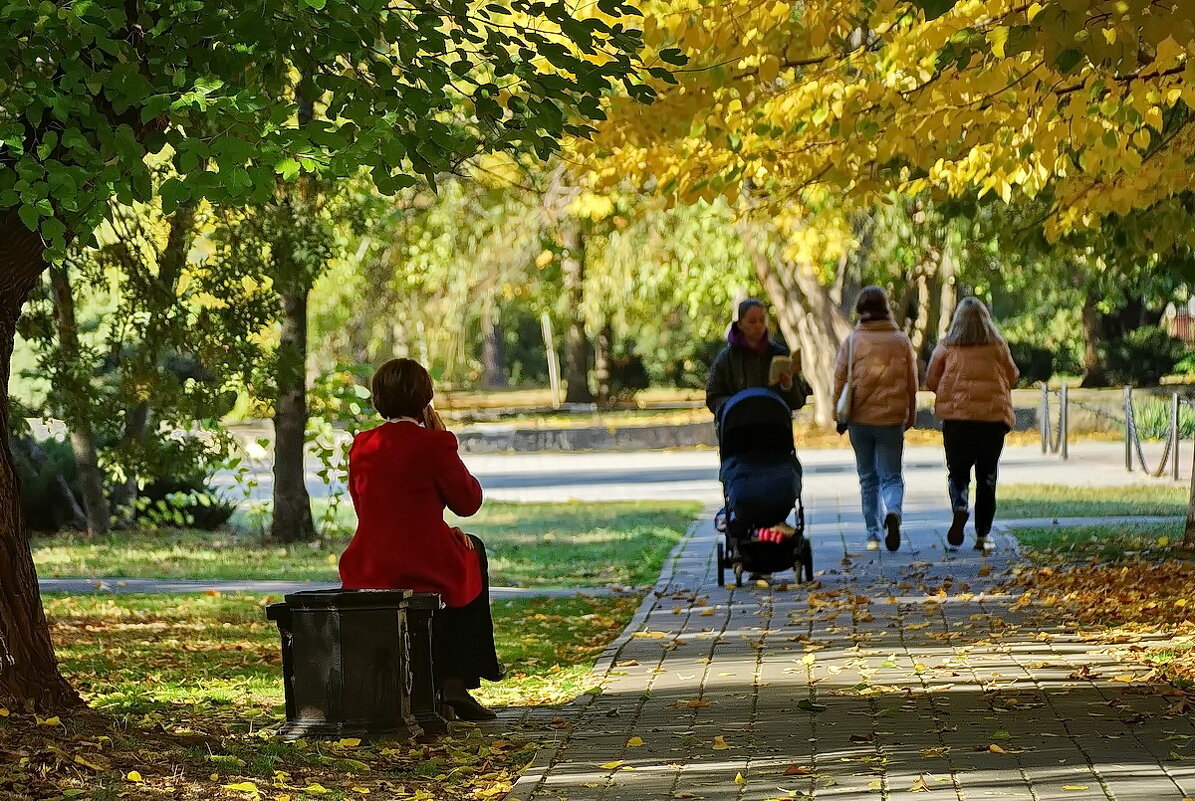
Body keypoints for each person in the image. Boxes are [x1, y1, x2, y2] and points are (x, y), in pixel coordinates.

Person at [339, 358, 502, 720]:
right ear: (425, 399)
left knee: (461, 548)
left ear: (378, 399)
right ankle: (455, 681)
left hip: (369, 563)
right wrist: (444, 440)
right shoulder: (434, 444)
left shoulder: (362, 445)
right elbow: (468, 501)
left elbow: (370, 510)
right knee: (472, 553)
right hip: (424, 562)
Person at [926, 297, 1019, 551]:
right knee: (987, 476)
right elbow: (1013, 376)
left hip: (957, 421)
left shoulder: (946, 347)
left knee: (958, 472)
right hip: (992, 420)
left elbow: (931, 380)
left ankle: (959, 505)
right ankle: (983, 535)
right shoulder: (997, 346)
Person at [833, 286, 917, 552]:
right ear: (886, 308)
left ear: (859, 310)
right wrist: (910, 415)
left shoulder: (853, 341)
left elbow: (839, 379)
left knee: (867, 477)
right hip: (891, 420)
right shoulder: (901, 340)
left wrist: (839, 412)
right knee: (891, 476)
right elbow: (912, 384)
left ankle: (872, 535)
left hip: (859, 419)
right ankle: (893, 510)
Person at [706, 298, 808, 418]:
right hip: (738, 428)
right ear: (740, 324)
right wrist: (739, 405)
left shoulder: (780, 354)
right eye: (752, 321)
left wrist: (787, 386)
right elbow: (713, 397)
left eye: (762, 320)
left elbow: (798, 402)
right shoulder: (726, 359)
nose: (758, 325)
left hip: (774, 427)